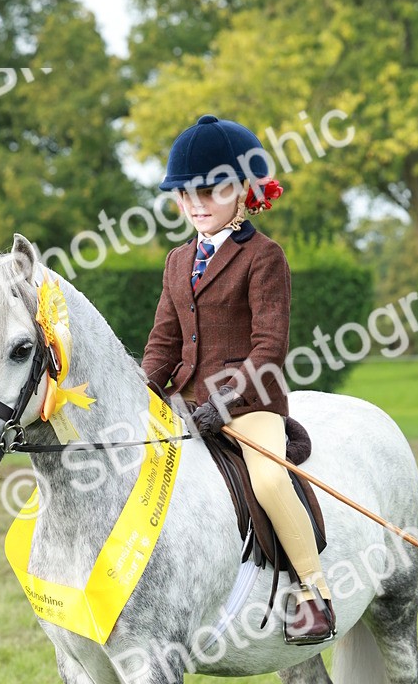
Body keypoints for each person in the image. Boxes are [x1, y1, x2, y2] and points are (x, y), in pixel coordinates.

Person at [141, 114, 335, 643]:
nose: (197, 203)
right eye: (186, 193)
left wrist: (220, 406)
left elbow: (268, 350)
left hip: (248, 405)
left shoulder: (263, 256)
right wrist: (143, 391)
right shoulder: (178, 260)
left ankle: (312, 591)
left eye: (212, 191)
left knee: (270, 479)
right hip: (183, 400)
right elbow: (163, 341)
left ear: (243, 191)